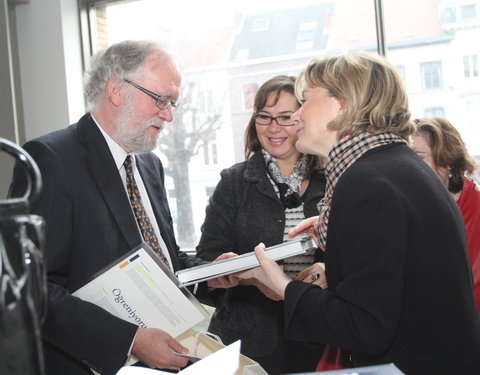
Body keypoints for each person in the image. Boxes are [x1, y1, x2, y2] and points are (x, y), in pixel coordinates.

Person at [237, 51, 480, 374]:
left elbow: (365, 326)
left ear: (344, 103)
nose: (296, 116)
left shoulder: (367, 183)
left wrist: (282, 285)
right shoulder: (401, 166)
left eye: (306, 100)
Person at [8, 40, 236, 375]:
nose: (169, 114)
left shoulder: (149, 165)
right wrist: (130, 340)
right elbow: (33, 288)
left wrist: (211, 274)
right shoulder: (52, 159)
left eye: (173, 102)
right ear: (116, 89)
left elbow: (160, 259)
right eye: (161, 99)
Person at [195, 75, 326, 374]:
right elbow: (206, 260)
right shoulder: (234, 182)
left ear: (303, 118)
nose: (274, 128)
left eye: (285, 117)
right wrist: (251, 277)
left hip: (318, 337)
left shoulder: (333, 179)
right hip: (247, 342)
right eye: (264, 117)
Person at [412, 117, 480, 313]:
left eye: (419, 157)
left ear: (448, 160)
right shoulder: (412, 202)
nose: (409, 165)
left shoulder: (475, 206)